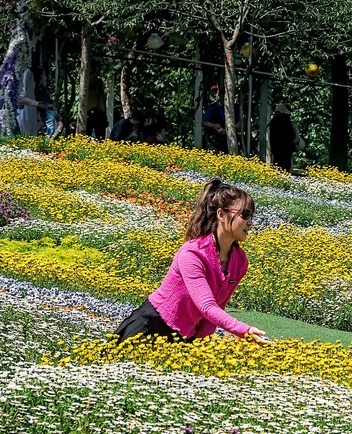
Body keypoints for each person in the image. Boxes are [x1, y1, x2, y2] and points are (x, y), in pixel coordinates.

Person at [114, 178, 270, 345]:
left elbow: (217, 308)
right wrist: (243, 330)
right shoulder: (192, 253)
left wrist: (198, 345)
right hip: (149, 328)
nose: (250, 223)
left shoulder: (240, 262)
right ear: (222, 215)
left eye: (251, 216)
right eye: (245, 214)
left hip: (183, 338)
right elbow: (207, 306)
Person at [268, 102, 306, 172]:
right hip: (286, 150)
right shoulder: (287, 122)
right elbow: (293, 137)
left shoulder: (273, 122)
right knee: (286, 169)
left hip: (276, 149)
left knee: (278, 168)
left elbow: (272, 139)